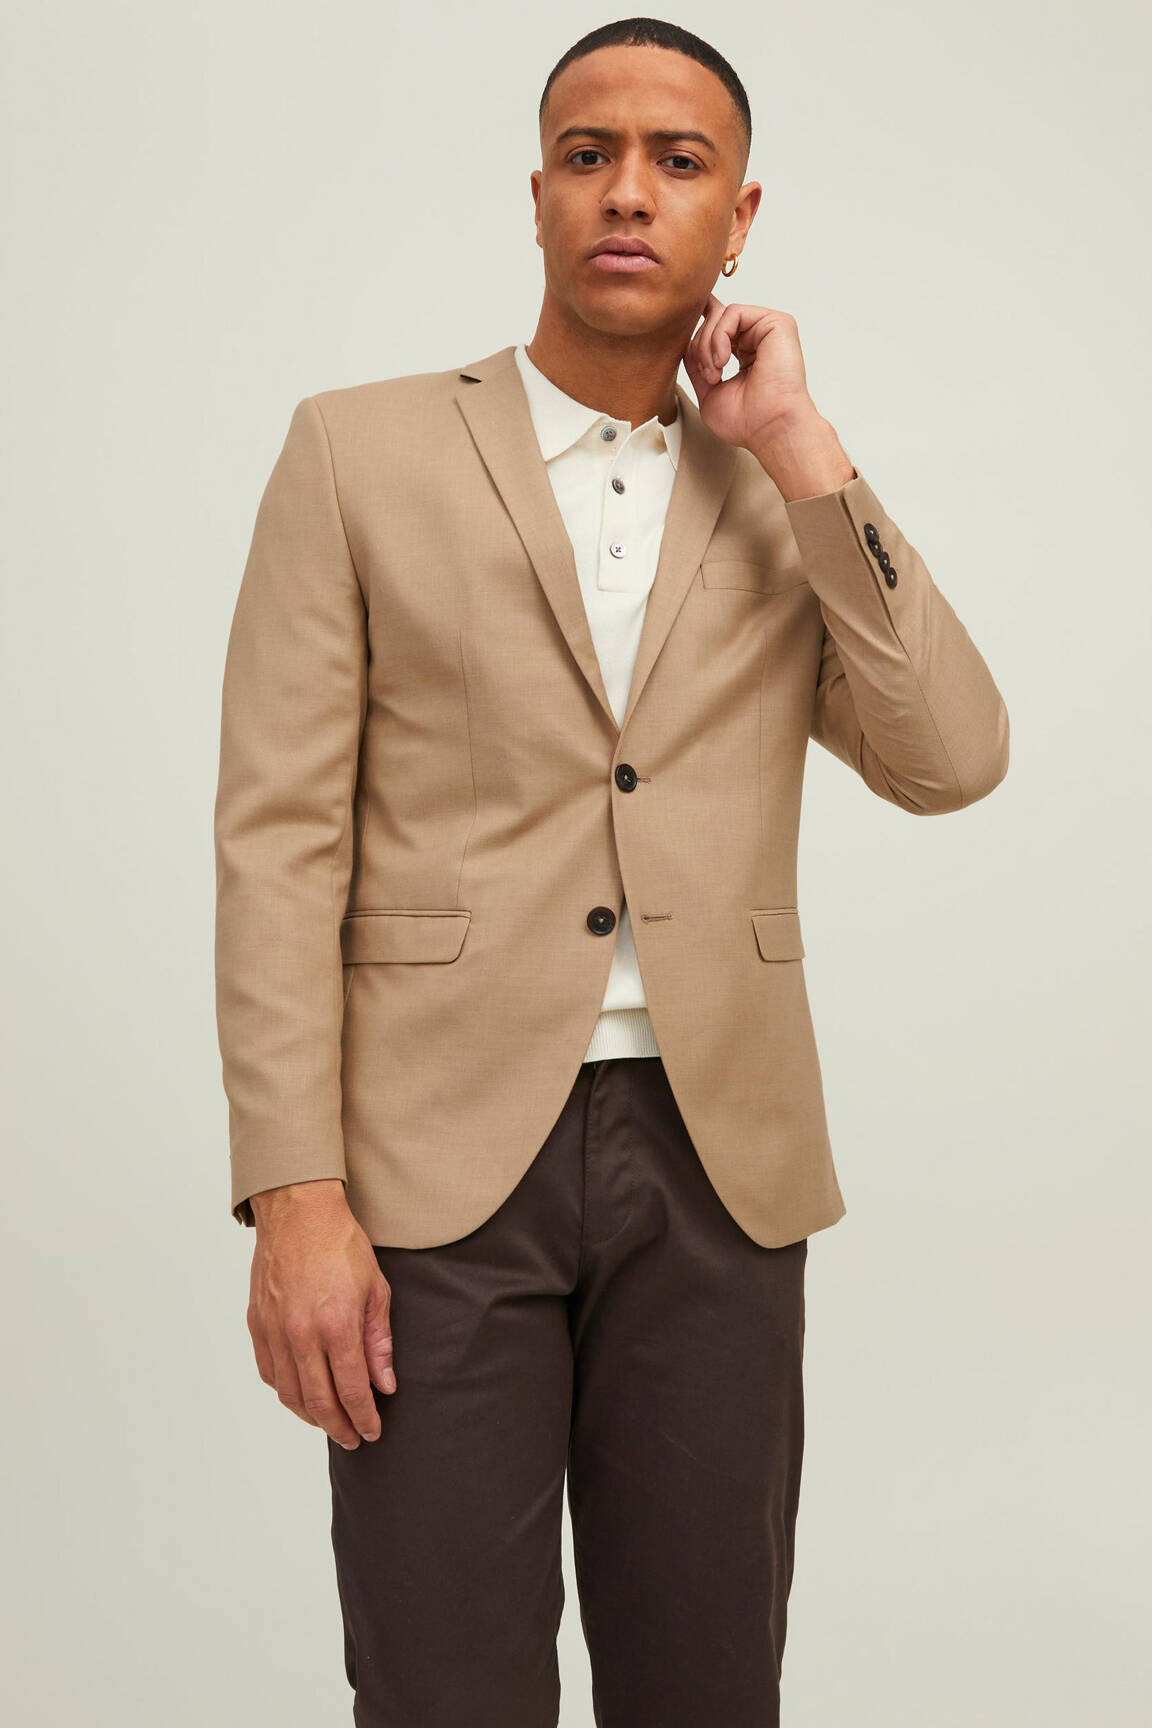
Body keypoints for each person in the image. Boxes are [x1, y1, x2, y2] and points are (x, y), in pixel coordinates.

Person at [212, 18, 1009, 1726]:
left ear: (741, 216)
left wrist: (806, 451)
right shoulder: (355, 450)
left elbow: (953, 757)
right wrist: (293, 1192)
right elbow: (276, 840)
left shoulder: (785, 497)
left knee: (706, 1686)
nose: (628, 192)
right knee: (441, 1687)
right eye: (589, 156)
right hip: (430, 1169)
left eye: (677, 160)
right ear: (538, 196)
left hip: (720, 1163)